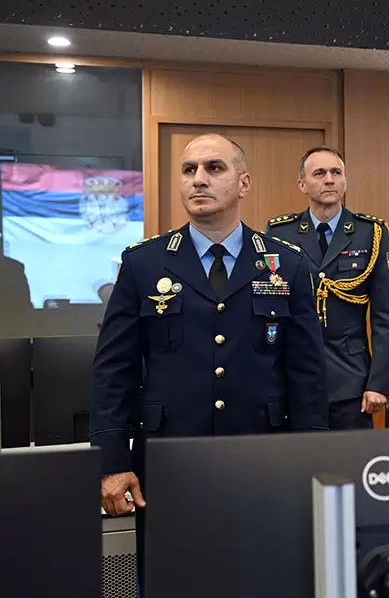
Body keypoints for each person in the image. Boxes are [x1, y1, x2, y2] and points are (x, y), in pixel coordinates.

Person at [89, 134, 327, 588]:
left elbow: (307, 374)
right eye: (189, 170)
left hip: (264, 459)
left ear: (244, 183)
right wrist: (111, 461)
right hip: (168, 461)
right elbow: (113, 370)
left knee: (264, 580)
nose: (199, 179)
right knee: (173, 580)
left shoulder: (287, 264)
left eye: (214, 168)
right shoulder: (143, 264)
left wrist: (309, 459)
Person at [266, 146, 389, 429]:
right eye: (319, 173)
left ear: (345, 181)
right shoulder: (280, 233)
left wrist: (379, 382)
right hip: (294, 374)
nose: (329, 179)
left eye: (336, 173)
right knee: (298, 456)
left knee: (349, 456)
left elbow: (386, 314)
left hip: (352, 379)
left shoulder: (371, 233)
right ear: (302, 184)